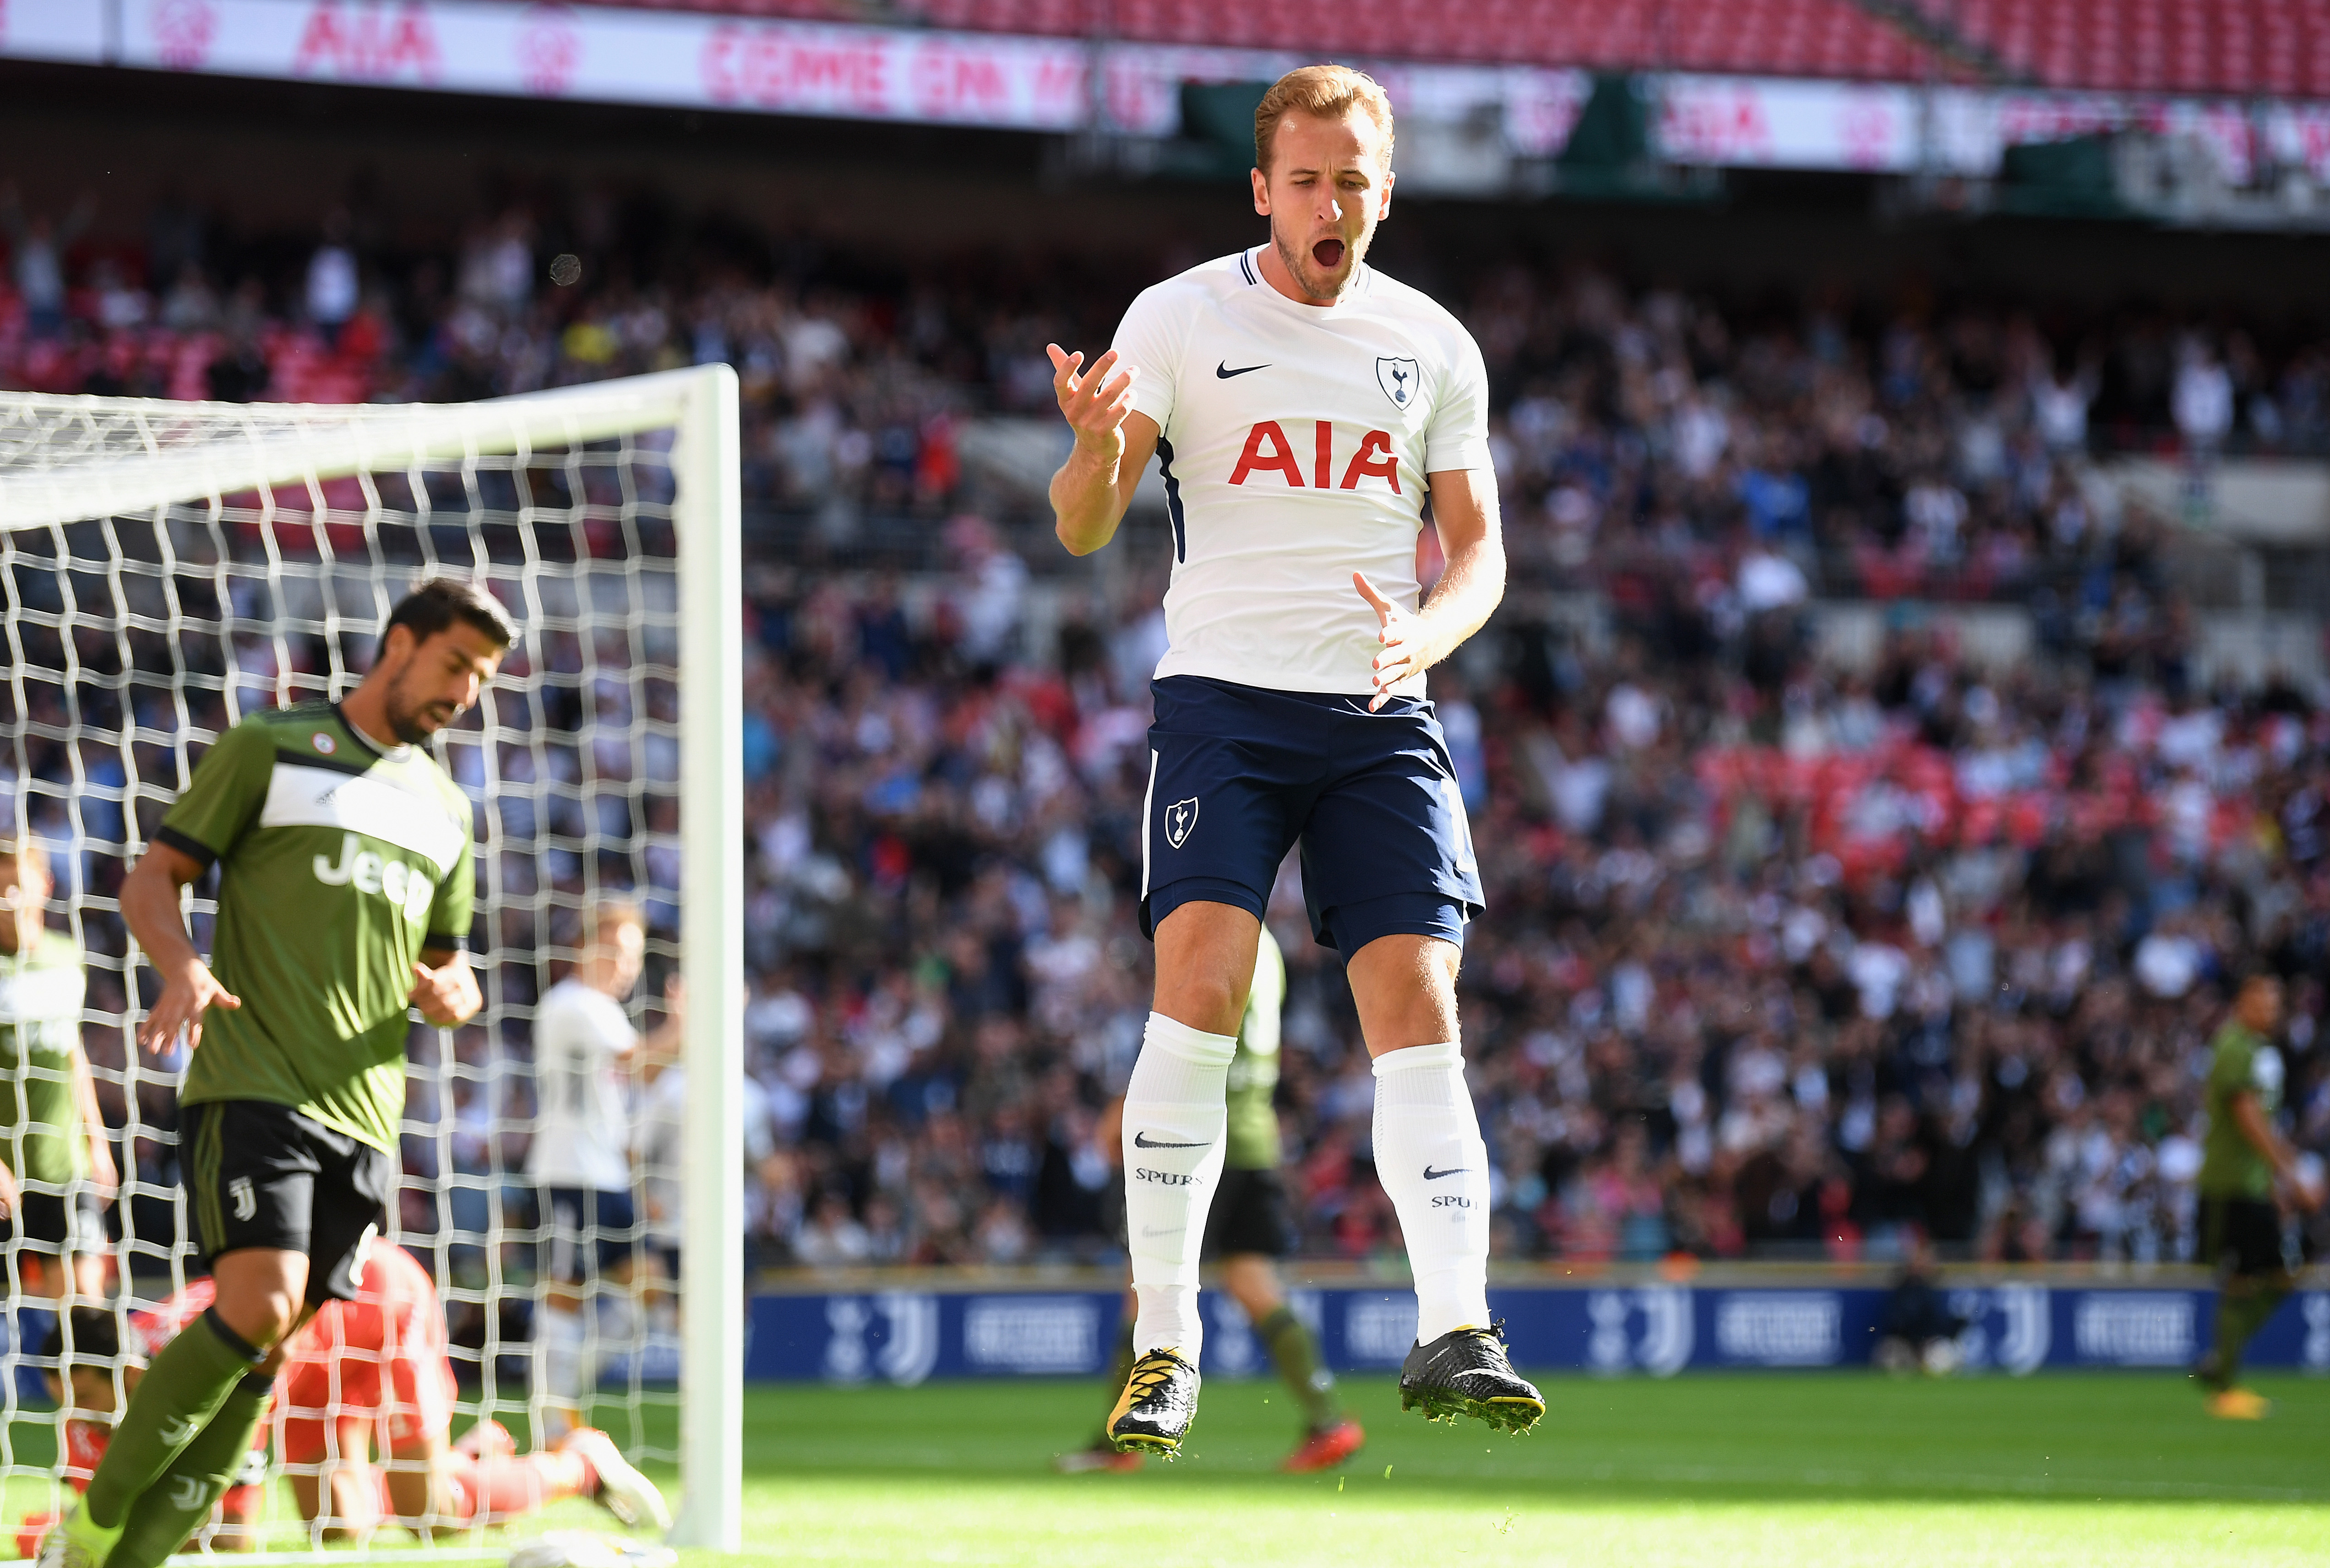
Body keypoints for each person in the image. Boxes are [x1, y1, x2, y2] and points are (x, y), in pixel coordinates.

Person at [1045, 63, 1540, 1457]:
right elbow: (1083, 524)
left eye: (1355, 180)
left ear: (1386, 192)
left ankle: (1457, 1320)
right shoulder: (1179, 317)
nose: (1332, 203)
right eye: (1307, 179)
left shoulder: (1432, 343)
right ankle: (1163, 1346)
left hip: (1380, 710)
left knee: (1417, 997)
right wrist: (1090, 456)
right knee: (1199, 982)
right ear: (1262, 188)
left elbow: (1481, 550)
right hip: (1223, 704)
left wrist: (1427, 634)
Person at [40, 578, 514, 1568]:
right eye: (457, 663)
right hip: (254, 1082)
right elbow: (150, 878)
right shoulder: (270, 747)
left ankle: (123, 1560)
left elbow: (450, 959)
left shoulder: (446, 809)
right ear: (400, 644)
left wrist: (456, 991)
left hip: (367, 1111)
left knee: (271, 1346)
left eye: (483, 675)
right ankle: (91, 1526)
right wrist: (185, 964)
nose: (468, 691)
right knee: (256, 1304)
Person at [31, 1241, 666, 1551]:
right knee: (339, 1528)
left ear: (134, 1370)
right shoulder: (98, 1392)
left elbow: (233, 1534)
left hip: (375, 1306)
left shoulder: (201, 1358)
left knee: (431, 1513)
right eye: (72, 1404)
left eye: (92, 1398)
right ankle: (472, 1456)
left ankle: (578, 1462)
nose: (87, 1415)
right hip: (305, 1370)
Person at [1057, 927, 1365, 1473]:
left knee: (1146, 1286)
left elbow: (1192, 1031)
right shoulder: (1268, 945)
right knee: (1253, 1283)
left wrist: (1126, 1108)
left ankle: (1118, 1443)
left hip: (1196, 1136)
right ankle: (1328, 1418)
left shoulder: (1218, 924)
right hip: (1252, 1136)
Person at [527, 899, 681, 1441]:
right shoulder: (573, 1004)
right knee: (565, 1292)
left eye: (633, 955)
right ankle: (551, 1421)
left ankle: (562, 1399)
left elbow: (635, 1079)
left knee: (651, 1287)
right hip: (568, 1172)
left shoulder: (604, 1011)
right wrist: (691, 1023)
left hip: (607, 1175)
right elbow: (641, 1062)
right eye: (614, 950)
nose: (625, 964)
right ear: (584, 947)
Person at [2192, 972, 2322, 1418]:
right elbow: (2248, 1120)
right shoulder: (2234, 1046)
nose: (2270, 1008)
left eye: (2276, 1000)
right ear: (2242, 1001)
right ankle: (2225, 1386)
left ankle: (2222, 1361)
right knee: (2246, 1277)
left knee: (2282, 1270)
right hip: (2230, 1185)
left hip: (2252, 1184)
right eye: (2262, 999)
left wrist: (2275, 1183)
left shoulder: (2260, 1051)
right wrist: (2294, 1174)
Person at [0, 840, 119, 1304]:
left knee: (84, 1308)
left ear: (44, 887)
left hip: (62, 1165)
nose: (9, 899)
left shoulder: (67, 956)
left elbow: (74, 1053)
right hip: (6, 1167)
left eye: (16, 886)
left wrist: (99, 1141)